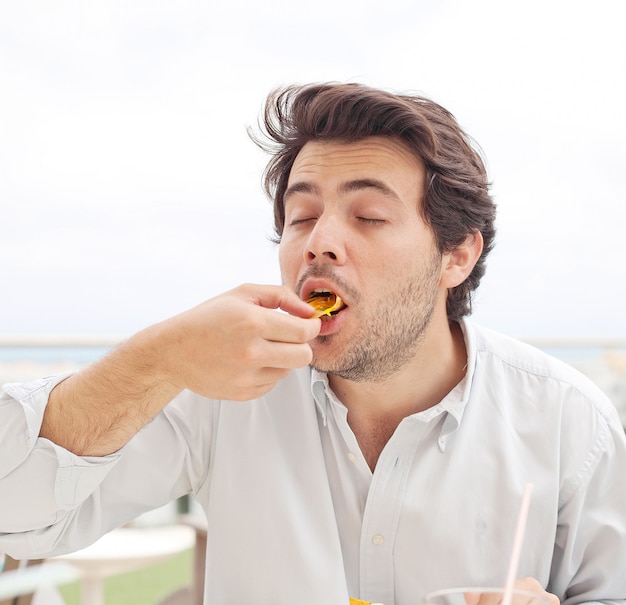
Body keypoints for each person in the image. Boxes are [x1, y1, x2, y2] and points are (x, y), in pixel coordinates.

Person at [1, 82, 625, 605]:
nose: (318, 242)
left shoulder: (570, 421)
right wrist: (157, 357)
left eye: (369, 217)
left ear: (456, 254)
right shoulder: (218, 392)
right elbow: (18, 517)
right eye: (300, 218)